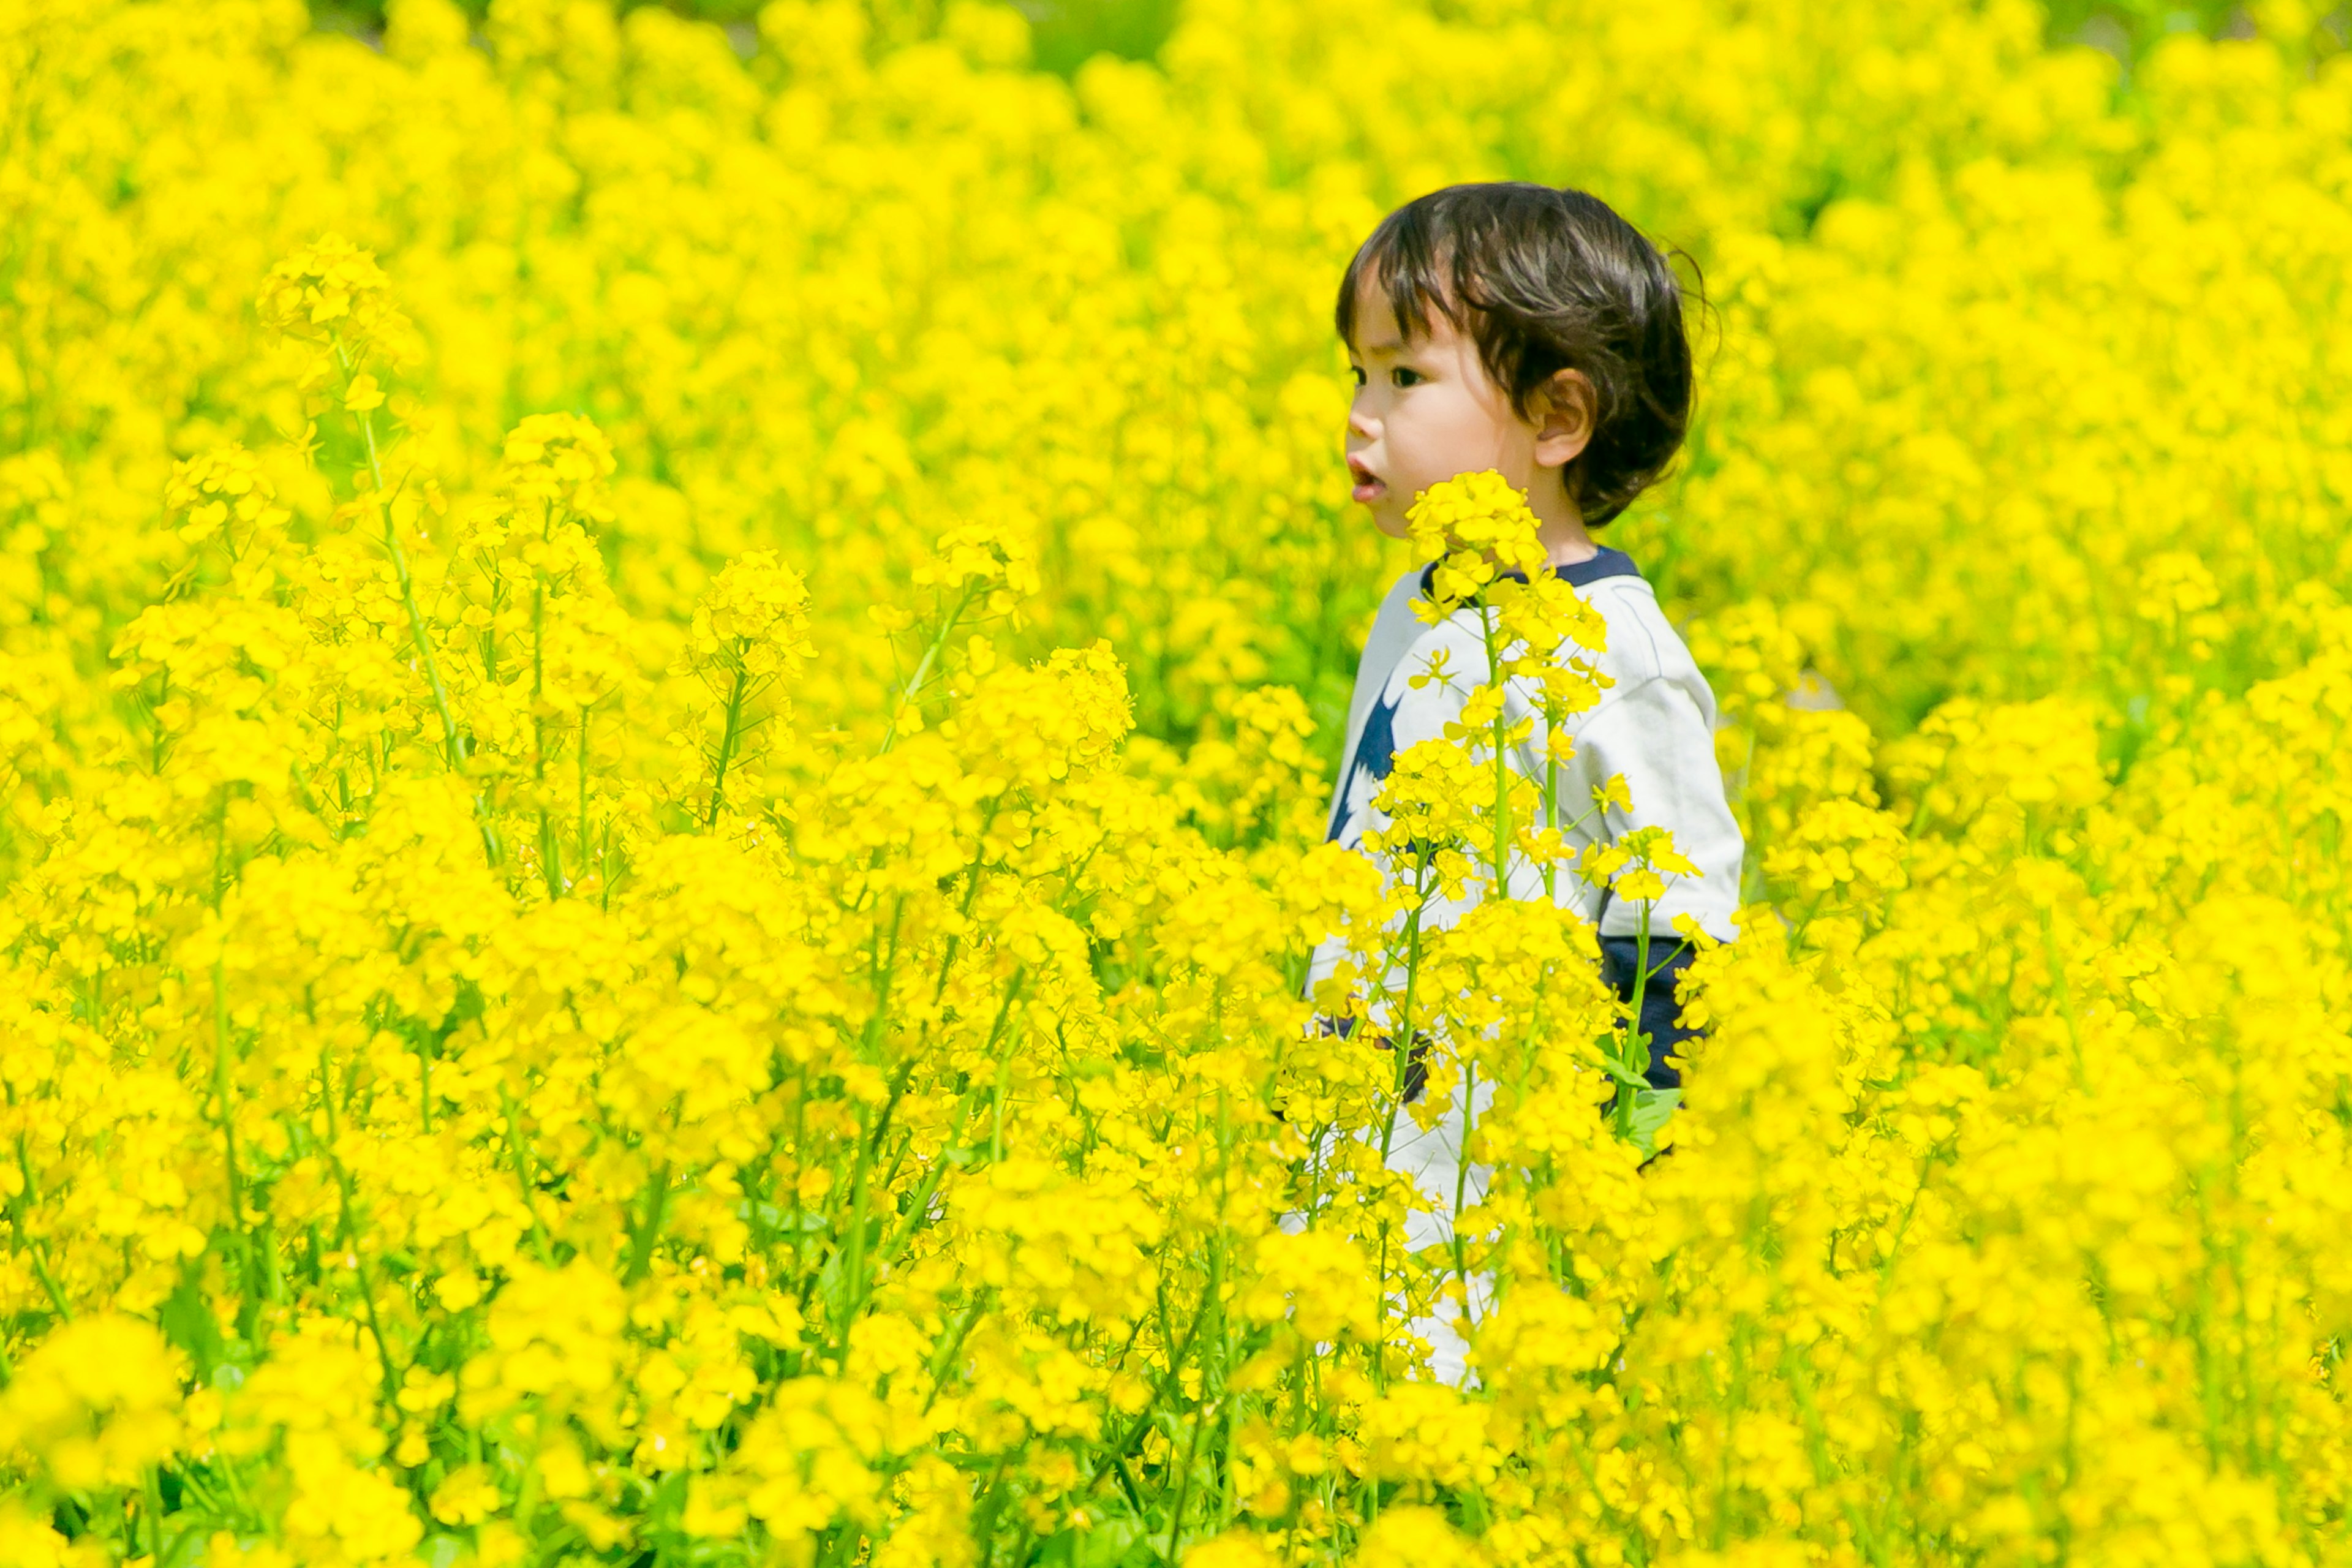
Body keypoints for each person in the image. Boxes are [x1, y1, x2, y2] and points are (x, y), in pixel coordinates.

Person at [1309, 181, 1745, 1381]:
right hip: (1358, 1164)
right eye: (1357, 373)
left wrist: (1613, 1205)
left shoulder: (1623, 656)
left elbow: (1677, 940)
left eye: (1406, 379)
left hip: (1503, 1216)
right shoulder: (1415, 606)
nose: (1360, 415)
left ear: (1558, 419)